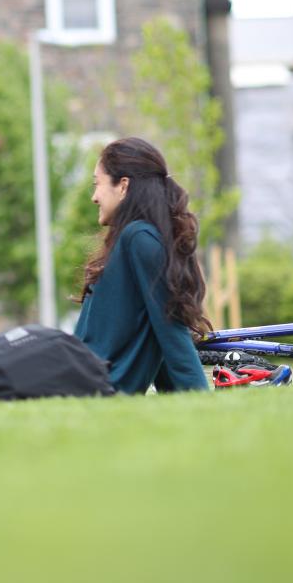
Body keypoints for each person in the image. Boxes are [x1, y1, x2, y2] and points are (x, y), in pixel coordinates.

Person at [73, 137, 210, 394]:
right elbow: (154, 331)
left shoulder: (139, 239)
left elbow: (170, 330)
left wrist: (201, 400)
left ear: (123, 186)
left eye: (97, 184)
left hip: (89, 390)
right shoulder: (132, 241)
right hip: (78, 383)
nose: (94, 197)